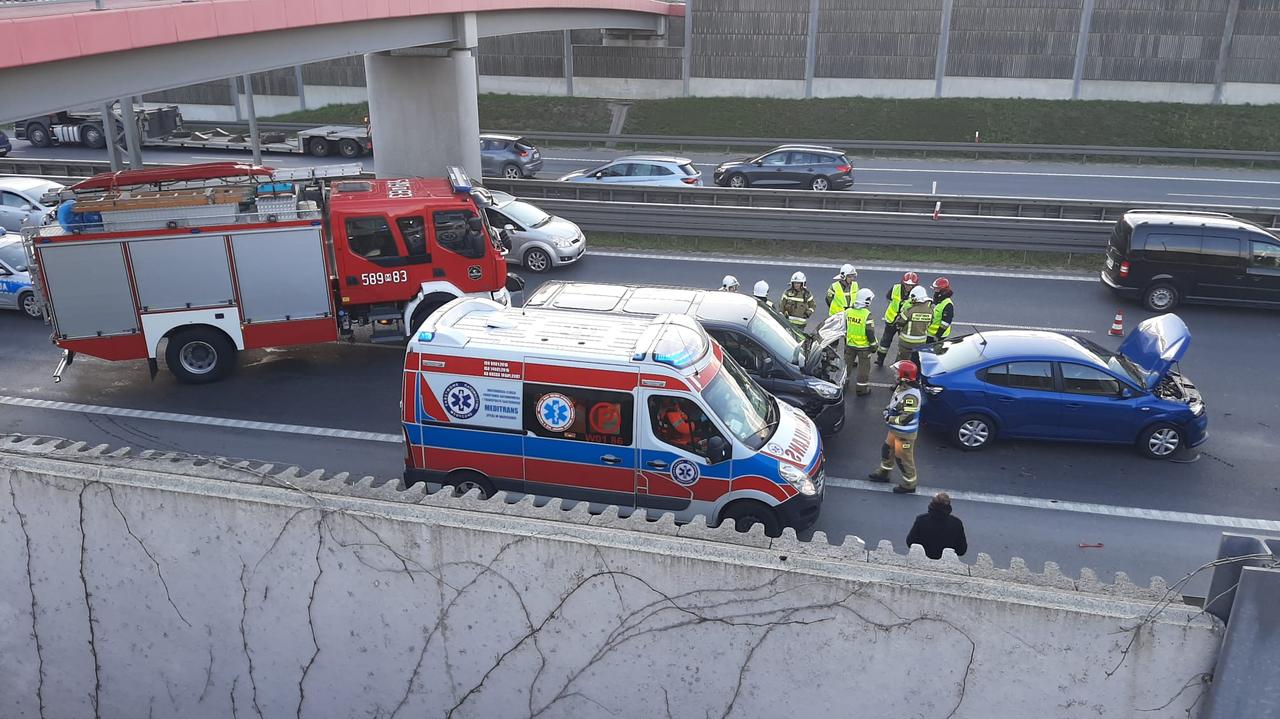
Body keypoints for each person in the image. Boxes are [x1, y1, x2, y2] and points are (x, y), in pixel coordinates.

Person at [868, 360, 922, 494]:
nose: (895, 375)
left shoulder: (911, 395)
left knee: (903, 458)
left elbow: (907, 417)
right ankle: (884, 473)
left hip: (904, 434)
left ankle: (909, 484)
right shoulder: (901, 387)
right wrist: (887, 410)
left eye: (897, 373)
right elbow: (895, 403)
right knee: (887, 450)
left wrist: (890, 418)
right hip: (895, 430)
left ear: (905, 376)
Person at [876, 271, 919, 368]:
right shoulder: (896, 288)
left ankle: (898, 363)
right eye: (906, 284)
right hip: (891, 320)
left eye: (911, 285)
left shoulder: (916, 293)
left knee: (902, 344)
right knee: (885, 342)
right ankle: (880, 360)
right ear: (903, 283)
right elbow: (888, 298)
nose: (908, 287)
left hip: (904, 323)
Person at [907, 492, 968, 560]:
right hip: (946, 562)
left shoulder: (921, 520)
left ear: (932, 504)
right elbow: (962, 550)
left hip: (922, 559)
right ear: (948, 507)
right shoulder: (956, 523)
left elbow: (910, 542)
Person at [844, 288, 877, 396]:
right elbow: (870, 332)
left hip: (850, 345)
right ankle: (861, 389)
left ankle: (844, 383)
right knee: (864, 368)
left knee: (847, 366)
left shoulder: (848, 311)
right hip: (863, 347)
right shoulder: (867, 314)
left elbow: (844, 327)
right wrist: (873, 346)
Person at [895, 285, 932, 364]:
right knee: (916, 362)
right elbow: (930, 323)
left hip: (906, 342)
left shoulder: (910, 310)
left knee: (902, 362)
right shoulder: (930, 311)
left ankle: (900, 375)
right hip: (921, 342)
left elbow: (899, 322)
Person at [928, 277, 954, 343]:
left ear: (942, 291)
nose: (935, 291)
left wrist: (937, 336)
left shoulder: (948, 305)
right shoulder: (938, 299)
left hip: (938, 336)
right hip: (929, 334)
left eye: (937, 289)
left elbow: (945, 323)